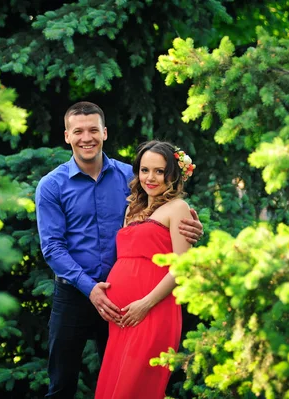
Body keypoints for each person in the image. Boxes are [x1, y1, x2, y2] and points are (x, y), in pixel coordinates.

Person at [35, 101, 204, 399]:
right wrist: (90, 289)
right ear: (67, 136)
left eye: (93, 130)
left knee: (122, 380)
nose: (86, 137)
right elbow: (52, 248)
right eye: (78, 131)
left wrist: (191, 228)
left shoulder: (134, 178)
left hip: (123, 303)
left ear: (105, 133)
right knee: (61, 383)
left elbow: (163, 213)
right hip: (74, 294)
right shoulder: (51, 185)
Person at [94, 140, 194, 399]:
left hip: (154, 310)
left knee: (136, 387)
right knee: (116, 385)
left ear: (172, 174)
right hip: (122, 317)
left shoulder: (178, 208)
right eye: (145, 170)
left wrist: (145, 303)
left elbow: (181, 266)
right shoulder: (133, 208)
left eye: (159, 171)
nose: (151, 178)